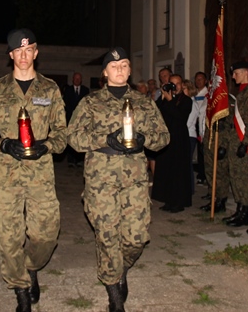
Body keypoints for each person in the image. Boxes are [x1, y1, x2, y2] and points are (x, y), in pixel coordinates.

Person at [67, 47, 169, 312]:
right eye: (114, 66)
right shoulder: (91, 102)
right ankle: (114, 295)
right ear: (105, 73)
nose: (120, 69)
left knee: (137, 237)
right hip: (100, 178)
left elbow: (163, 137)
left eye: (124, 65)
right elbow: (73, 138)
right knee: (107, 235)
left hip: (135, 178)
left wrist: (145, 139)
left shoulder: (144, 102)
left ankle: (120, 268)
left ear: (130, 70)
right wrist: (104, 140)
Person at [0, 28, 67, 312]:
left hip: (40, 174)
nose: (23, 55)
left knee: (47, 235)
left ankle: (31, 266)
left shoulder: (49, 89)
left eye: (28, 50)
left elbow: (63, 134)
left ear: (35, 52)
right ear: (11, 55)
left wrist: (46, 146)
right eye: (18, 51)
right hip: (7, 175)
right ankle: (21, 290)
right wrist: (1, 144)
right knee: (9, 237)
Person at [151, 73, 193, 213]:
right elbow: (155, 112)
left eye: (177, 83)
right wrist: (163, 98)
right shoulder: (166, 99)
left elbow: (180, 116)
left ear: (182, 85)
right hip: (166, 139)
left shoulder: (186, 100)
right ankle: (168, 200)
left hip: (179, 140)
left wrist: (169, 101)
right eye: (172, 84)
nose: (175, 86)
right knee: (166, 170)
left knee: (178, 171)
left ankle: (178, 202)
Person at [223, 61, 248, 228]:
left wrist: (245, 142)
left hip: (243, 141)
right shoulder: (241, 93)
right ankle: (239, 208)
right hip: (234, 140)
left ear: (245, 73)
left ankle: (246, 212)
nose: (233, 76)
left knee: (243, 178)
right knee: (235, 176)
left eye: (236, 73)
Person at [62, 72, 89, 167]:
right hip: (70, 119)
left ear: (81, 80)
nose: (77, 80)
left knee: (80, 139)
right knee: (70, 139)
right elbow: (65, 104)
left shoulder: (85, 90)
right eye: (76, 78)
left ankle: (79, 160)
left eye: (79, 78)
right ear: (73, 79)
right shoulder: (68, 90)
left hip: (81, 120)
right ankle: (71, 160)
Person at [187, 72, 208, 185]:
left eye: (201, 79)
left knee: (203, 152)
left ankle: (204, 175)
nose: (198, 81)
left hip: (202, 124)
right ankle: (200, 173)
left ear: (205, 81)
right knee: (199, 153)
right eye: (197, 79)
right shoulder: (194, 94)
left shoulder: (207, 94)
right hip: (194, 123)